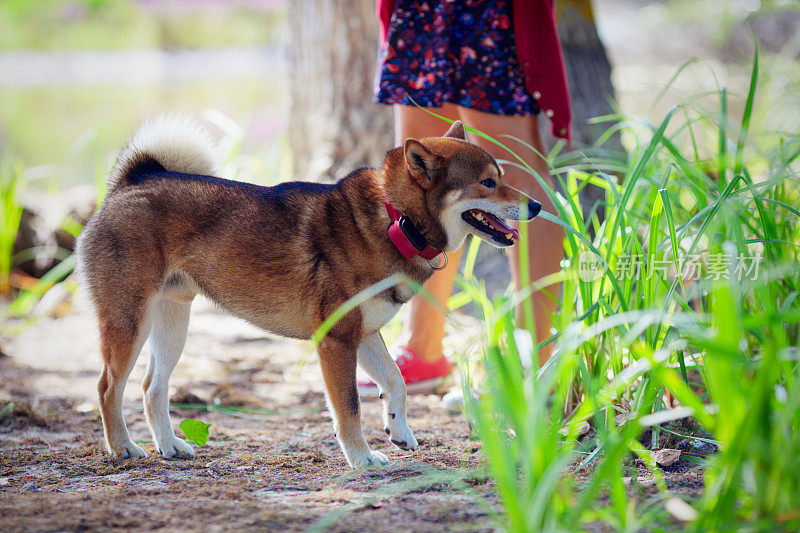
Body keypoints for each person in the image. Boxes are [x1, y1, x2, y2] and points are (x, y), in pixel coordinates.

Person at [360, 0, 570, 395]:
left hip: (485, 11)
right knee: (423, 172)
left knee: (518, 171)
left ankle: (537, 364)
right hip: (422, 10)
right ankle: (423, 348)